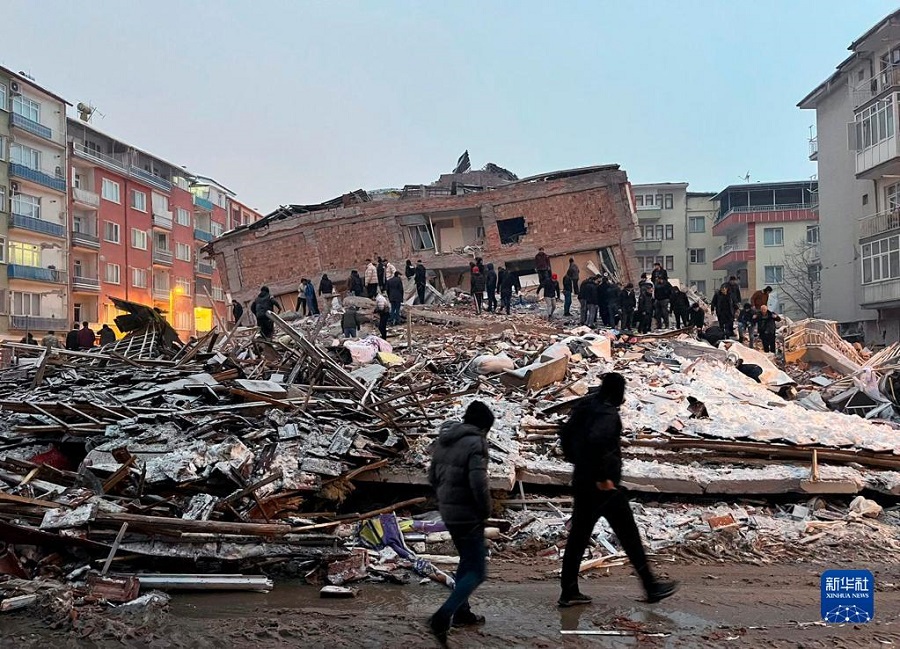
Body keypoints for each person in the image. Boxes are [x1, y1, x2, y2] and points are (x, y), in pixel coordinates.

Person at [558, 373, 678, 608]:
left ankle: (569, 591)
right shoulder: (607, 414)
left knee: (578, 538)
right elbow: (597, 442)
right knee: (629, 535)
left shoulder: (586, 407)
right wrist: (603, 478)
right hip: (604, 488)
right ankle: (651, 586)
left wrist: (579, 462)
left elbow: (565, 435)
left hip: (582, 481)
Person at [427, 401, 495, 643]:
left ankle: (462, 612)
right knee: (477, 572)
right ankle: (443, 615)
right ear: (483, 426)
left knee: (466, 561)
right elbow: (478, 483)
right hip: (468, 514)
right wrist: (485, 510)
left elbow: (432, 477)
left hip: (449, 512)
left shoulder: (445, 440)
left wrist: (446, 500)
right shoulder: (476, 443)